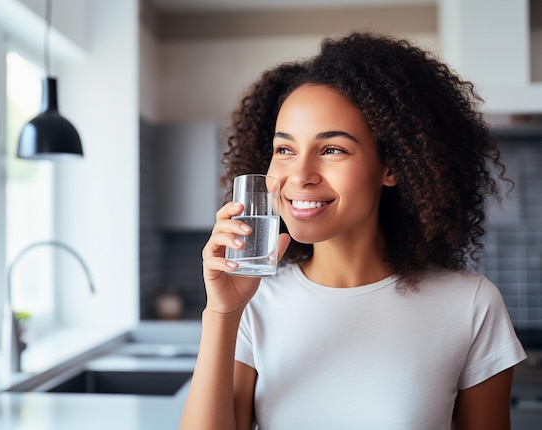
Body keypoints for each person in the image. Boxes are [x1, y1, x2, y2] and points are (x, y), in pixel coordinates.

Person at [179, 31, 526, 430]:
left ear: (391, 167)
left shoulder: (470, 305)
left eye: (332, 150)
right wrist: (223, 313)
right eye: (285, 150)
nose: (301, 176)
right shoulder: (254, 304)